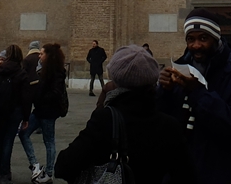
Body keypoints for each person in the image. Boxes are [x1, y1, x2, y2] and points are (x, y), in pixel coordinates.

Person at [55, 45, 194, 184]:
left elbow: (63, 166)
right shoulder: (170, 125)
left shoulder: (105, 119)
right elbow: (184, 174)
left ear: (115, 79)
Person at [156, 9, 231, 184]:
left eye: (203, 38)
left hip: (222, 173)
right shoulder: (182, 70)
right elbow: (164, 125)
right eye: (191, 39)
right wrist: (164, 92)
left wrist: (198, 93)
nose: (196, 45)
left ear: (216, 38)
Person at [18, 43, 66, 184]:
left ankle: (49, 173)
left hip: (48, 111)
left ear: (49, 56)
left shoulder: (57, 72)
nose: (39, 55)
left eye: (42, 53)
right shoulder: (44, 69)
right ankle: (35, 165)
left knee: (49, 141)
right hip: (39, 110)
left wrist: (38, 97)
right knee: (23, 133)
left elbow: (55, 93)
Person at [0, 46, 24, 184]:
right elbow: (25, 96)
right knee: (8, 142)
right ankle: (5, 173)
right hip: (14, 112)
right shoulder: (21, 72)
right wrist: (25, 116)